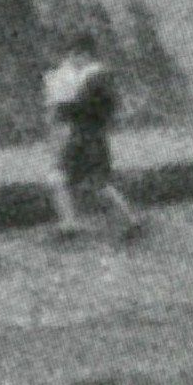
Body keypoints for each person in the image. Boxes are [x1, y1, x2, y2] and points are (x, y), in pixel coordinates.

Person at [41, 25, 143, 237]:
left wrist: (60, 106)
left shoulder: (95, 79)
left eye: (73, 55)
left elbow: (85, 109)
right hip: (88, 137)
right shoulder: (96, 77)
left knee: (90, 183)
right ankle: (72, 223)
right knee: (76, 180)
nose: (70, 61)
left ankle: (128, 220)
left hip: (87, 138)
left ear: (84, 54)